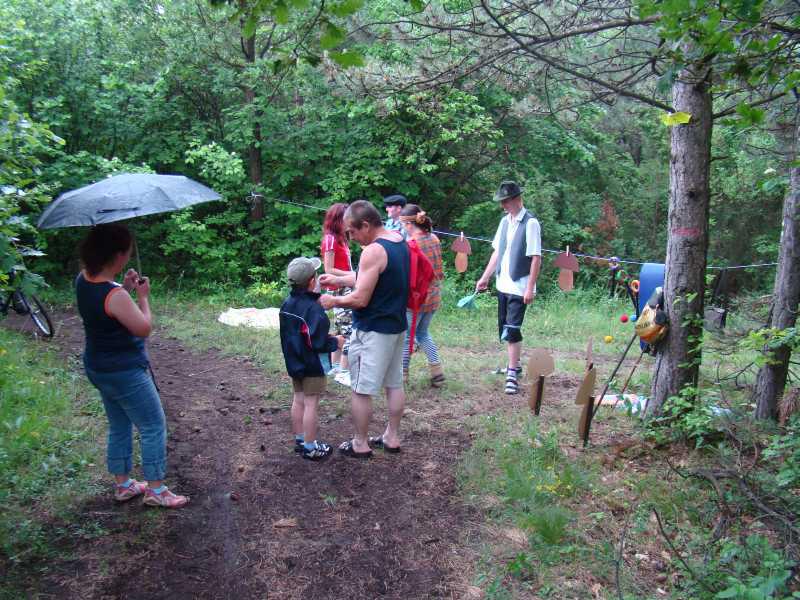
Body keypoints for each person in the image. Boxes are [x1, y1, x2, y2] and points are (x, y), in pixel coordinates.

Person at [75, 224, 188, 508]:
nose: (128, 256)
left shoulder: (84, 279)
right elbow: (143, 328)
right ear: (117, 255)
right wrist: (142, 297)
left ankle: (124, 484)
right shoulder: (115, 296)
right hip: (123, 371)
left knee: (119, 423)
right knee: (153, 425)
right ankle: (156, 490)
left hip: (98, 366)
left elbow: (108, 312)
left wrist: (125, 288)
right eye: (127, 251)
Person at [319, 200, 409, 458]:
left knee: (360, 389)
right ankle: (392, 437)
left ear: (366, 225)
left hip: (373, 330)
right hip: (396, 326)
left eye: (352, 231)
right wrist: (339, 279)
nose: (351, 237)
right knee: (394, 384)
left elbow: (360, 299)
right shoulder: (398, 240)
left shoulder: (373, 250)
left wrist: (333, 300)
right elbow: (374, 276)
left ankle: (360, 443)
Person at [475, 181, 542, 395]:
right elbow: (498, 252)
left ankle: (512, 373)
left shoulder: (531, 223)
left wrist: (530, 288)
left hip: (519, 286)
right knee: (505, 328)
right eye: (501, 201)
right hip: (502, 283)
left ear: (517, 199)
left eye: (505, 201)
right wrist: (485, 277)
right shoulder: (505, 222)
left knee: (512, 329)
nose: (503, 205)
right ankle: (516, 365)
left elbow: (536, 258)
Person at [279, 257, 344, 461]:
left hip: (294, 362)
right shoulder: (314, 309)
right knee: (311, 403)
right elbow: (317, 343)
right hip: (312, 365)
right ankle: (310, 447)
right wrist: (335, 342)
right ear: (311, 281)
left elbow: (298, 334)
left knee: (298, 399)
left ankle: (300, 440)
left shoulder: (287, 304)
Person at [399, 204, 445, 387]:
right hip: (434, 295)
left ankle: (402, 376)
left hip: (417, 299)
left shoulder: (411, 244)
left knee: (406, 338)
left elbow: (408, 275)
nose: (402, 228)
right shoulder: (434, 238)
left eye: (402, 224)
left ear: (409, 224)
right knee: (423, 333)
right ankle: (437, 372)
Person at [320, 203, 354, 385]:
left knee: (342, 329)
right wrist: (353, 274)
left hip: (345, 285)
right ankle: (344, 371)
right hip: (338, 288)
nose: (349, 222)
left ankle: (334, 367)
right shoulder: (330, 239)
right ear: (337, 219)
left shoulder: (342, 238)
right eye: (346, 218)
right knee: (349, 330)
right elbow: (329, 269)